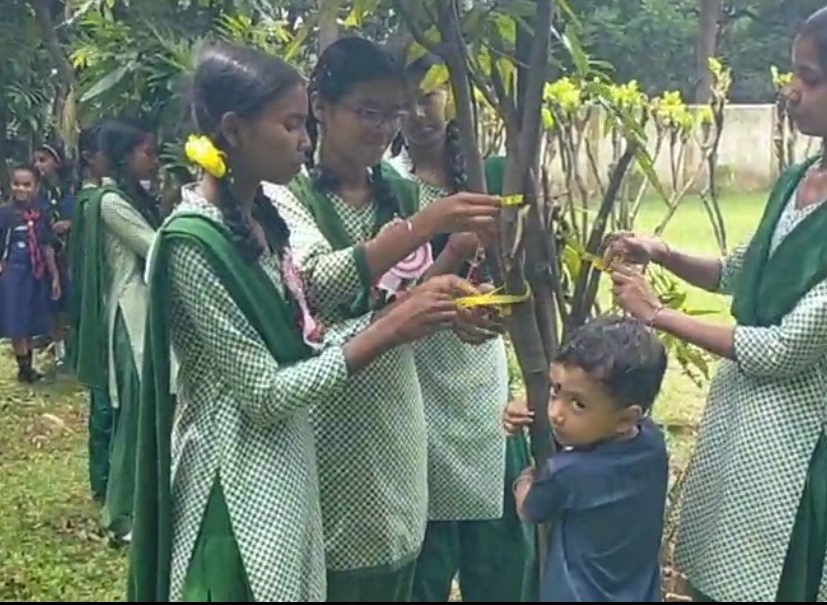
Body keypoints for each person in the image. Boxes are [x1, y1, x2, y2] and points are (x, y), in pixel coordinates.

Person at [127, 42, 479, 603]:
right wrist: (390, 324)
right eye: (291, 124)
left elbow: (308, 337)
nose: (304, 140)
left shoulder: (259, 222)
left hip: (289, 473)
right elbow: (265, 392)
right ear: (234, 130)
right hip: (233, 485)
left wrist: (425, 298)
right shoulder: (195, 243)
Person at [605, 1, 827, 601]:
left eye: (811, 78)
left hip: (792, 446)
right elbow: (743, 271)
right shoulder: (802, 176)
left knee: (772, 586)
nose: (791, 90)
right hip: (738, 423)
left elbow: (784, 349)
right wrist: (661, 251)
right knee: (714, 581)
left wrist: (657, 314)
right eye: (793, 72)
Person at [278, 36, 501, 602]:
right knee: (335, 565)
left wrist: (456, 308)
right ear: (321, 107)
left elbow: (406, 299)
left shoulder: (398, 192)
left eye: (393, 114)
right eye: (368, 112)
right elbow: (317, 286)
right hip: (327, 411)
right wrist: (424, 226)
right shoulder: (286, 195)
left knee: (397, 553)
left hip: (398, 407)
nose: (382, 129)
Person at [390, 50, 536, 603]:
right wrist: (452, 252)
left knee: (498, 544)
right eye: (405, 102)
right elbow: (391, 303)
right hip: (415, 373)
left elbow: (525, 273)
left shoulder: (491, 177)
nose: (417, 114)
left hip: (480, 377)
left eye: (428, 97)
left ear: (452, 98)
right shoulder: (388, 186)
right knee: (423, 541)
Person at [506, 314, 670, 602]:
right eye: (555, 391)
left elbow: (528, 507)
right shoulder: (652, 443)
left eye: (578, 404)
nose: (556, 413)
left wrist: (528, 475)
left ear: (625, 418)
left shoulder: (567, 472)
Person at [72, 118, 161, 543]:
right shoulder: (110, 203)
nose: (154, 160)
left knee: (146, 414)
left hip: (143, 317)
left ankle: (140, 504)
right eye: (148, 152)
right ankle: (122, 515)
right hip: (131, 318)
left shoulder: (130, 198)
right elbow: (156, 247)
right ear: (126, 156)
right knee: (134, 416)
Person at [0, 165, 61, 383]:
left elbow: (47, 246)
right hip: (14, 274)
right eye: (16, 184)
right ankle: (23, 367)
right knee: (16, 320)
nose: (21, 189)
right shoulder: (5, 213)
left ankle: (29, 365)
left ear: (36, 187)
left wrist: (55, 276)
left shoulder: (41, 214)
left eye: (26, 185)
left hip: (35, 273)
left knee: (30, 319)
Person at [68, 122, 116, 512]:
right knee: (103, 403)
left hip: (106, 309)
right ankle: (102, 480)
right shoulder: (93, 203)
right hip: (100, 311)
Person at [33, 142, 78, 367]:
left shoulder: (73, 188)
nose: (38, 165)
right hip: (47, 252)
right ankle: (59, 350)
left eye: (43, 160)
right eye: (36, 161)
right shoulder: (38, 194)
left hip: (73, 251)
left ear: (57, 162)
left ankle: (79, 346)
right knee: (52, 301)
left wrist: (71, 223)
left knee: (74, 298)